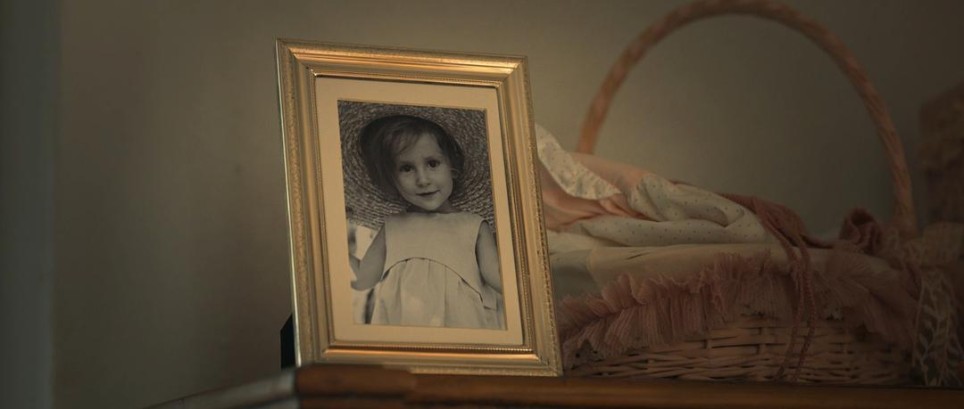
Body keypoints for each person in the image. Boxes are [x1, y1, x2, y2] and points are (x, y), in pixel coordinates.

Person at [349, 115, 504, 329]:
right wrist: (331, 239)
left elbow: (499, 279)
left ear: (452, 166)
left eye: (432, 164)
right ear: (392, 178)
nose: (422, 180)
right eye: (406, 168)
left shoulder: (473, 225)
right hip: (401, 331)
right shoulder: (393, 226)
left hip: (461, 329)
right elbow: (364, 278)